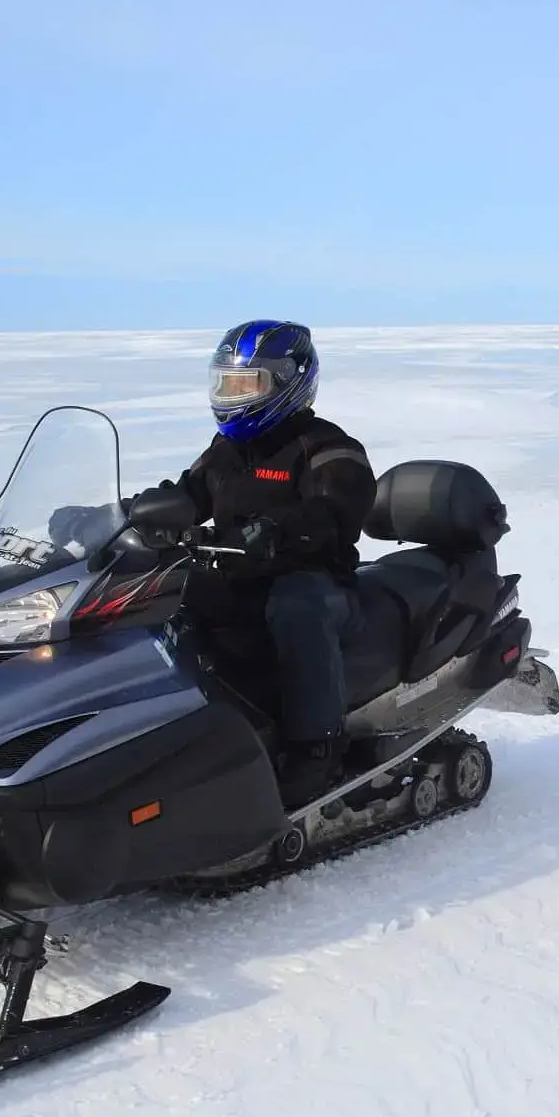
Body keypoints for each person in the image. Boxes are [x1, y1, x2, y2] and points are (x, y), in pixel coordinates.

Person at [150, 321, 376, 806]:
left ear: (288, 380)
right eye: (226, 384)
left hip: (318, 586)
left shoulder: (327, 448)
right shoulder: (225, 451)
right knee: (167, 595)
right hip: (239, 579)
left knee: (296, 606)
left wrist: (279, 531)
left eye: (246, 384)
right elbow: (187, 495)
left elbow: (336, 512)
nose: (233, 395)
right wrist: (132, 515)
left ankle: (317, 747)